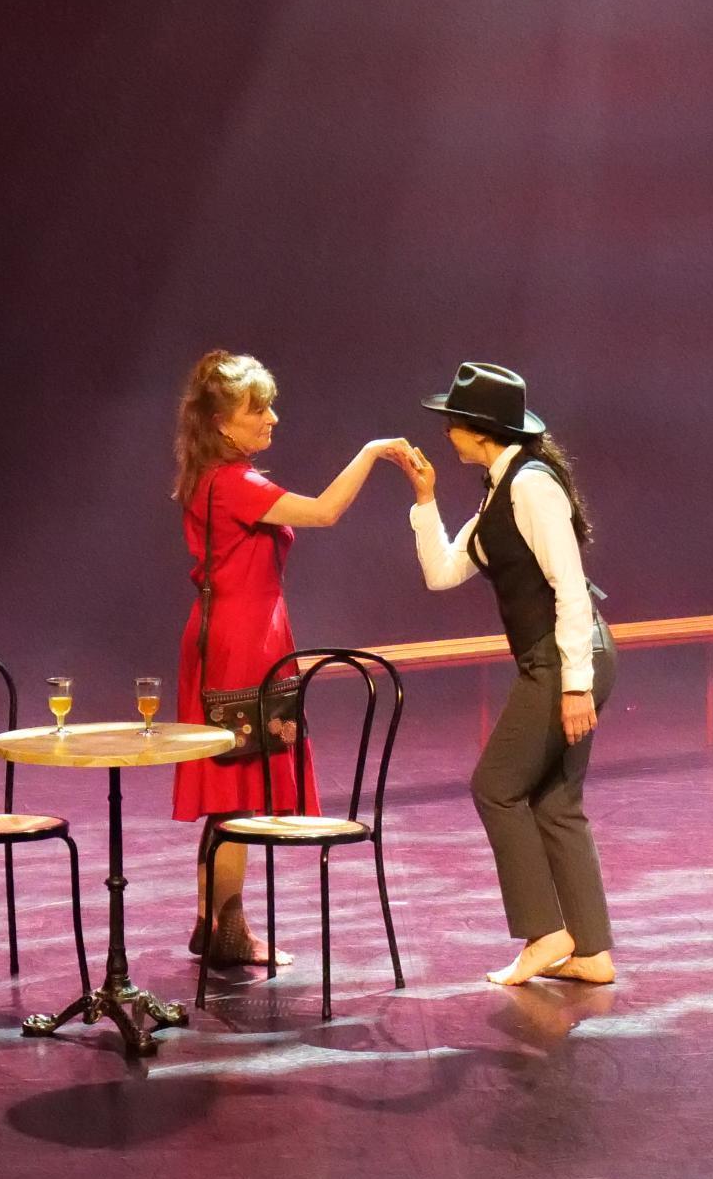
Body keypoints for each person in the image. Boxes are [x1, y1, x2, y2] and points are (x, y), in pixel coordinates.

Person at [172, 350, 415, 967]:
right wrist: (370, 453)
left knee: (230, 787)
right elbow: (326, 511)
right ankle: (230, 931)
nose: (272, 418)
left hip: (231, 633)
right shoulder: (235, 484)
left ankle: (211, 921)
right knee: (236, 793)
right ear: (223, 423)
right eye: (258, 409)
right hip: (242, 642)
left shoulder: (212, 478)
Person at [401, 362, 619, 989]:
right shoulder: (500, 491)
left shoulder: (530, 487)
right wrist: (425, 500)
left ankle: (545, 932)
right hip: (561, 658)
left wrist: (574, 686)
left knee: (495, 788)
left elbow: (569, 587)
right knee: (555, 801)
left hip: (565, 659)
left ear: (480, 430)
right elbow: (442, 572)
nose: (446, 432)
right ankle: (591, 952)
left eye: (452, 422)